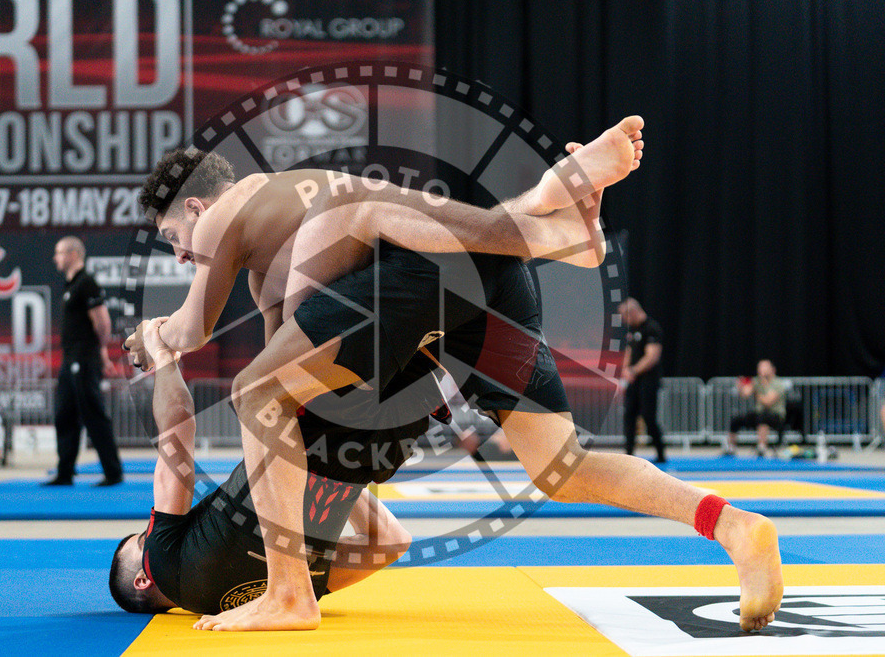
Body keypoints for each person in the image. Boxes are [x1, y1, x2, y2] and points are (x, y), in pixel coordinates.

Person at [127, 117, 783, 633]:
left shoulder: (224, 215)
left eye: (173, 239)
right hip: (483, 286)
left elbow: (192, 331)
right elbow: (296, 358)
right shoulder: (287, 226)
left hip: (416, 280)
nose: (183, 254)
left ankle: (290, 591)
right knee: (565, 465)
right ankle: (732, 524)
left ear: (192, 209)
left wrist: (153, 341)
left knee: (252, 391)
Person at [111, 319, 444, 620]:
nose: (151, 533)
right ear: (143, 580)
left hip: (393, 438)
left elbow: (391, 543)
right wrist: (162, 357)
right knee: (277, 312)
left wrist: (321, 480)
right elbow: (177, 424)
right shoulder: (162, 562)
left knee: (431, 312)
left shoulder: (295, 588)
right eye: (144, 538)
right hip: (323, 418)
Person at [43, 236, 123, 487]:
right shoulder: (70, 286)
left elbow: (103, 323)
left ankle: (113, 472)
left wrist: (99, 352)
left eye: (59, 253)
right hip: (70, 360)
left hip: (84, 360)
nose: (55, 258)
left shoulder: (86, 283)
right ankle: (65, 472)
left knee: (93, 413)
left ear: (73, 254)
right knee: (64, 414)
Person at [618, 298, 667, 464]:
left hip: (648, 380)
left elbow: (652, 356)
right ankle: (629, 454)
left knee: (648, 417)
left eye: (625, 316)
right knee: (629, 416)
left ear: (632, 312)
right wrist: (625, 370)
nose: (624, 320)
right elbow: (628, 352)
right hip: (634, 381)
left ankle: (661, 453)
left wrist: (633, 370)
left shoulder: (651, 328)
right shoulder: (632, 330)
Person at [726, 360, 787, 458]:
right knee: (736, 420)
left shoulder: (778, 383)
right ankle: (731, 449)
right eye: (760, 367)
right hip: (759, 413)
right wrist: (741, 386)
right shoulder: (757, 381)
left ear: (771, 369)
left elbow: (768, 402)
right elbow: (745, 394)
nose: (761, 370)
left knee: (763, 419)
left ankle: (761, 448)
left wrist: (757, 392)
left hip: (776, 415)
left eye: (764, 367)